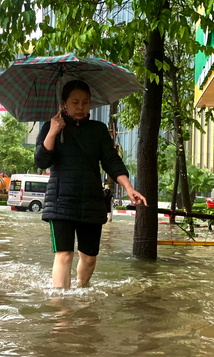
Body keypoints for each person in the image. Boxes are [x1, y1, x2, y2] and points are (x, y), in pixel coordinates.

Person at [34, 80, 146, 289]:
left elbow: (111, 162)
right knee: (64, 256)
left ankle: (81, 290)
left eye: (85, 102)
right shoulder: (51, 126)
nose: (80, 107)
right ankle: (62, 313)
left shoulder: (98, 129)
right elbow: (41, 161)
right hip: (60, 202)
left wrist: (129, 188)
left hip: (91, 202)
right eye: (75, 102)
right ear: (64, 103)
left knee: (89, 258)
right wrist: (53, 132)